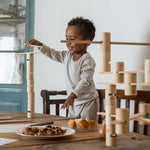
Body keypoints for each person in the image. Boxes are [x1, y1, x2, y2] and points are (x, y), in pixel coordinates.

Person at [25, 17, 99, 121]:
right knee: (72, 127)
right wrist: (40, 45)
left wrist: (72, 95)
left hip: (88, 102)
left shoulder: (88, 60)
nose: (68, 42)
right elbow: (53, 54)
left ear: (87, 42)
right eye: (66, 38)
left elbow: (85, 80)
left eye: (72, 39)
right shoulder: (66, 56)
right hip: (73, 102)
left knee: (88, 128)